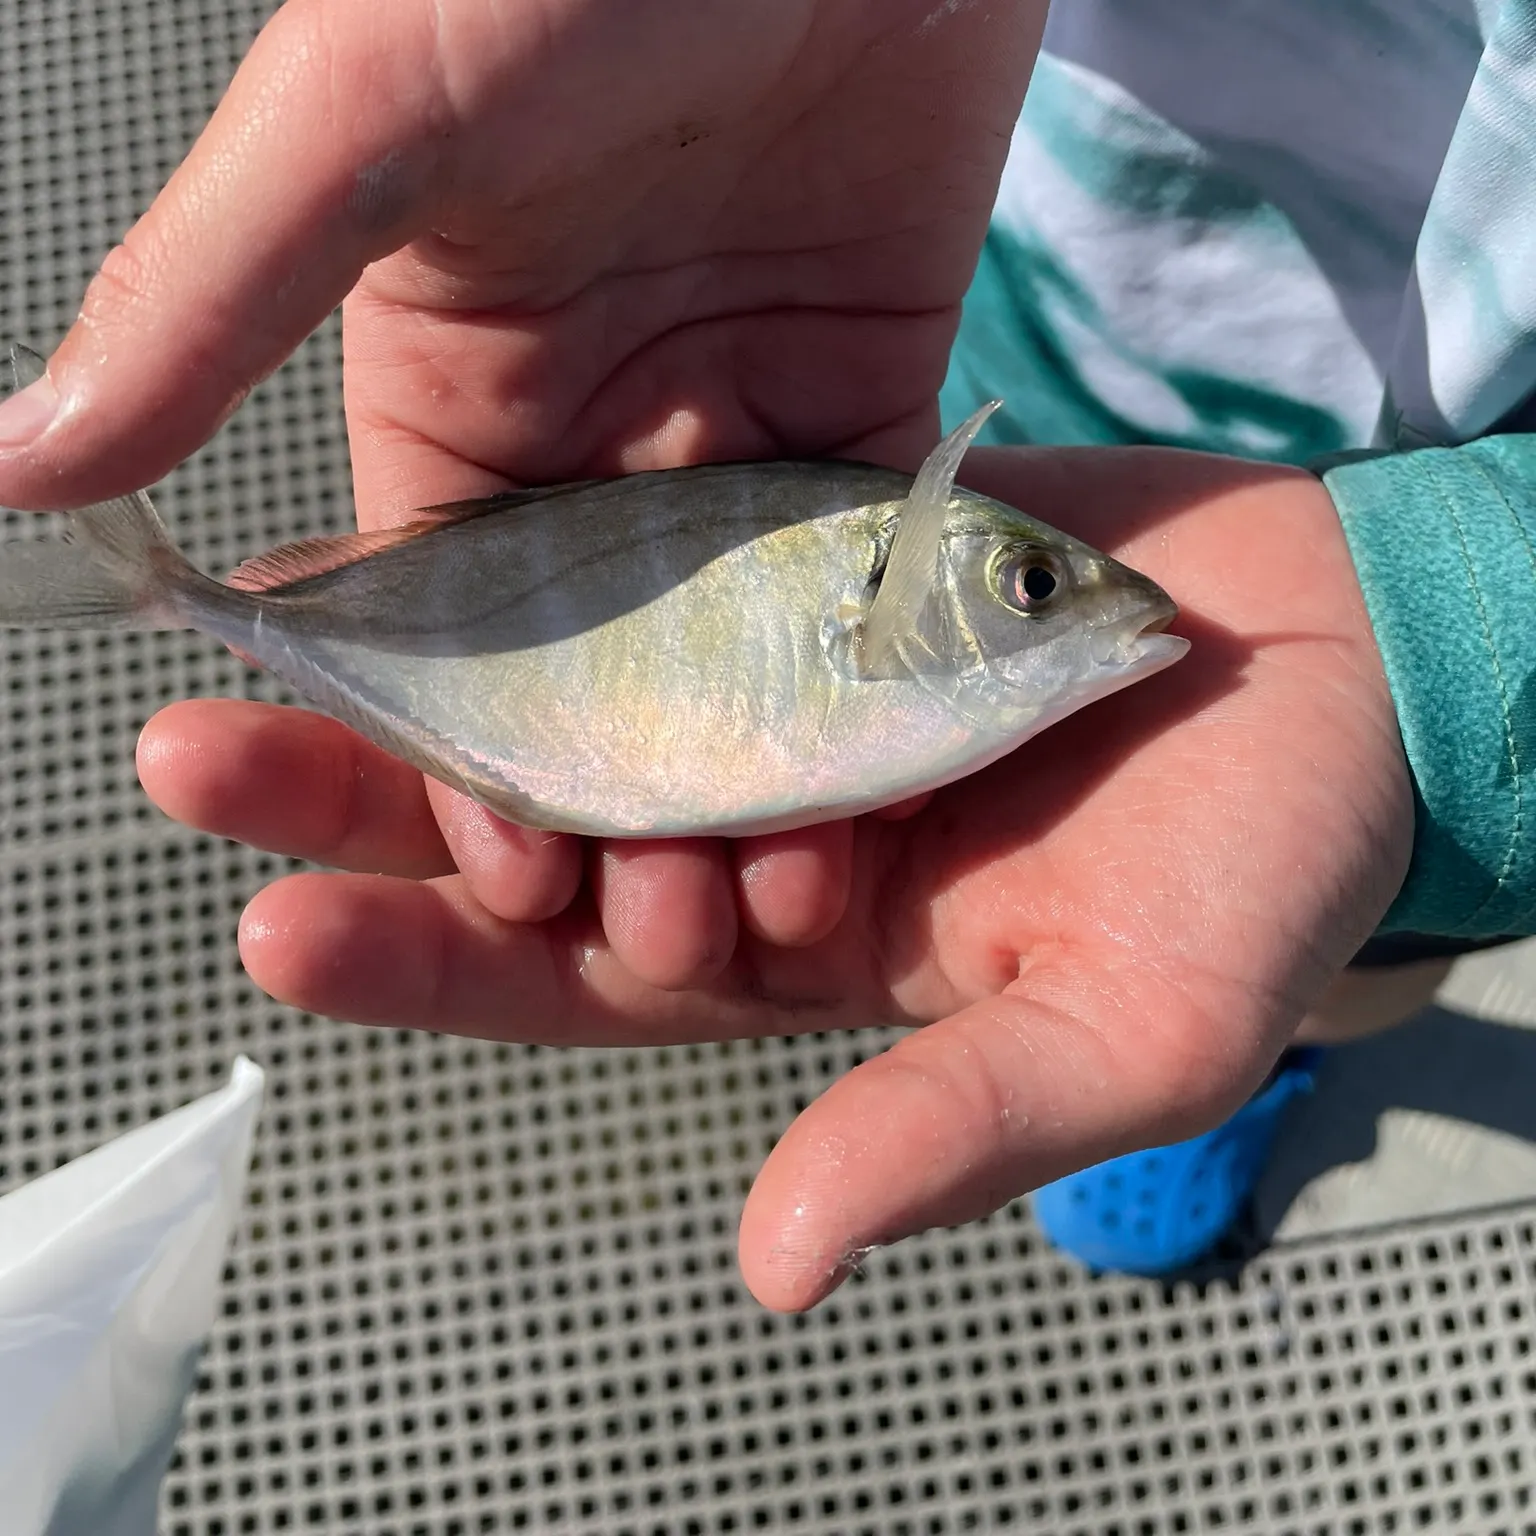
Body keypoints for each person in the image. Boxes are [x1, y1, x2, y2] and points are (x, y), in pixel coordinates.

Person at [0, 0, 1527, 1308]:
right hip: (955, 226)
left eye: (1033, 585)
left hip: (1459, 455)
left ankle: (1293, 1030)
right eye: (1028, 587)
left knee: (1350, 935)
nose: (1093, 616)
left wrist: (1456, 643)